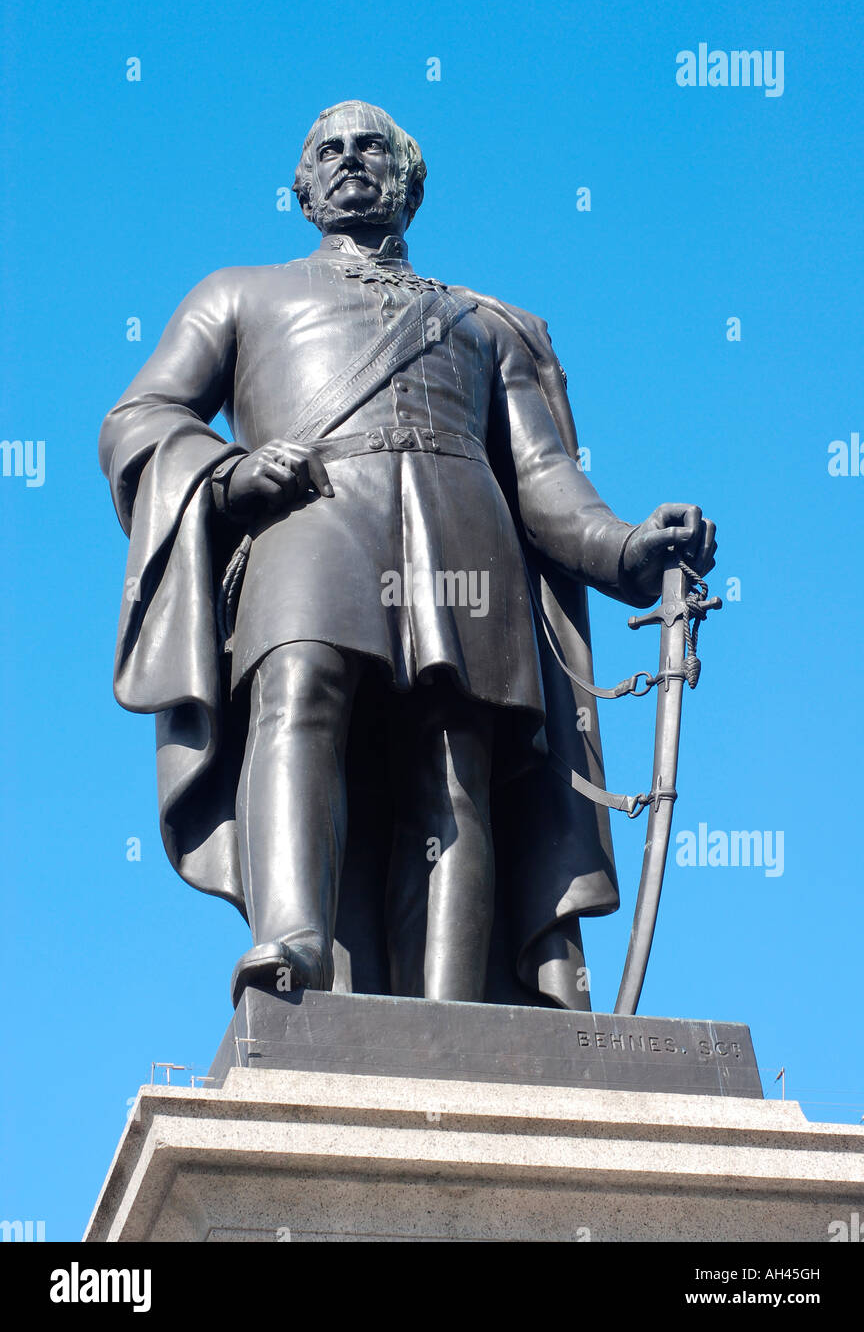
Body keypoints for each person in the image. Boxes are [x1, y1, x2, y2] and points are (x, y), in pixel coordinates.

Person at [99, 100, 715, 1010]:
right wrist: (228, 477)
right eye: (328, 151)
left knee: (454, 759)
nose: (351, 160)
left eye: (372, 147)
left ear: (410, 183)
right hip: (309, 519)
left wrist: (627, 548)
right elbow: (140, 418)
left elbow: (544, 478)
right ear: (303, 190)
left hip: (463, 532)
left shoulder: (489, 324)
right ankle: (293, 942)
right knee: (296, 691)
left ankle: (449, 1010)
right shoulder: (237, 292)